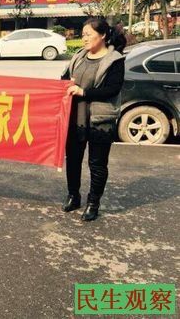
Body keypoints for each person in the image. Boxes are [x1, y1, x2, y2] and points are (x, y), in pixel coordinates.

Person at [61, 18, 125, 221]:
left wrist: (84, 92)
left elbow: (113, 89)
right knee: (72, 160)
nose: (84, 38)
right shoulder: (79, 56)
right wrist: (64, 85)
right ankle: (73, 196)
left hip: (100, 121)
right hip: (75, 117)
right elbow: (64, 78)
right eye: (83, 35)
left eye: (88, 34)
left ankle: (93, 203)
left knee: (97, 164)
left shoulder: (115, 60)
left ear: (103, 35)